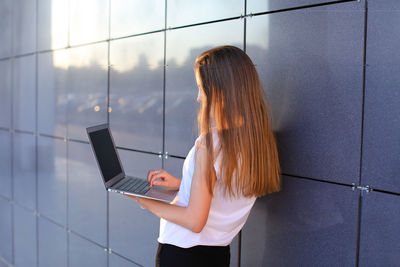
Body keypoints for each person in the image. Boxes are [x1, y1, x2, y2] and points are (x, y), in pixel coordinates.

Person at [126, 45, 281, 267]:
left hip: (183, 255)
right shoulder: (258, 142)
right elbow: (224, 193)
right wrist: (182, 185)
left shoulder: (210, 144)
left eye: (201, 88)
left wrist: (144, 200)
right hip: (217, 255)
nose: (199, 98)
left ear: (221, 89)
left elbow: (194, 221)